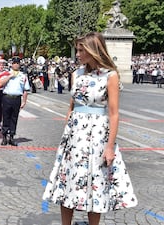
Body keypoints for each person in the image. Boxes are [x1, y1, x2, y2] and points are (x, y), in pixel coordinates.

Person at [42, 32, 138, 225]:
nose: (77, 54)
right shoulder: (76, 74)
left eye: (81, 50)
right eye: (77, 50)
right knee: (67, 180)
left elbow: (113, 113)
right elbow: (72, 105)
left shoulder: (110, 76)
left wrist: (110, 146)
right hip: (75, 135)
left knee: (96, 182)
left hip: (98, 135)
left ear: (93, 50)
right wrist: (67, 131)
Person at [0, 57, 30, 146]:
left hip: (17, 98)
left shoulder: (23, 76)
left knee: (14, 118)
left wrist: (24, 101)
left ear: (19, 64)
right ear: (11, 64)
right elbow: (0, 83)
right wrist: (9, 76)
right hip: (7, 97)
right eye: (14, 63)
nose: (16, 64)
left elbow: (25, 90)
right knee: (6, 117)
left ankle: (11, 137)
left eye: (17, 63)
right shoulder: (6, 73)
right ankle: (4, 137)